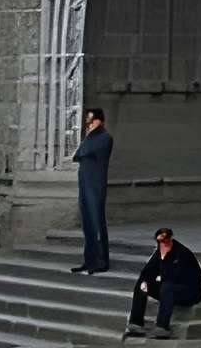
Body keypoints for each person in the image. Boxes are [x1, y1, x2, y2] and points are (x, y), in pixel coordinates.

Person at [122, 230, 201, 339]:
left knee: (167, 287)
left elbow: (174, 278)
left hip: (190, 291)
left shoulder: (182, 253)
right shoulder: (159, 253)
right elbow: (147, 272)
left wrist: (163, 267)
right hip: (169, 289)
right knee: (143, 283)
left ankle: (162, 327)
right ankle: (136, 323)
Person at [71, 109, 113, 275]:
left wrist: (89, 135)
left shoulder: (104, 138)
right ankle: (89, 260)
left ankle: (101, 261)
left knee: (96, 223)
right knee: (87, 224)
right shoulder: (91, 138)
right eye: (87, 120)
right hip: (85, 184)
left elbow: (81, 152)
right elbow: (77, 155)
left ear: (99, 121)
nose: (88, 124)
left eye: (91, 120)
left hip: (95, 185)